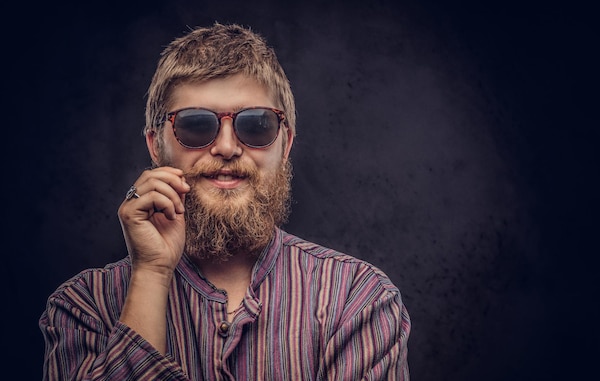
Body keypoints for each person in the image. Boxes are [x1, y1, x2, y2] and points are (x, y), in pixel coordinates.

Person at [39, 22, 411, 380]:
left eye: (256, 125)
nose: (227, 147)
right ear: (156, 145)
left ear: (286, 146)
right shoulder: (84, 307)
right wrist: (151, 274)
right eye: (196, 125)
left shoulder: (356, 298)